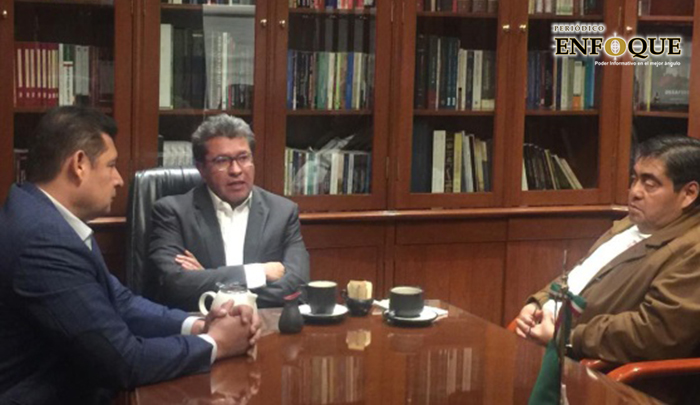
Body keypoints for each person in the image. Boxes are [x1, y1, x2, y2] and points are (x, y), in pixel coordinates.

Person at [0, 106, 261, 405]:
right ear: (79, 164)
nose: (119, 180)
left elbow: (120, 302)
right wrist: (216, 342)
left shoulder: (44, 217)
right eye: (111, 165)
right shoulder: (43, 240)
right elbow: (124, 362)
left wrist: (199, 325)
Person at [515, 135, 700, 366]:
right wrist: (539, 302)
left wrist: (568, 337)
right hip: (553, 344)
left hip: (594, 368)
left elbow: (655, 333)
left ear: (689, 194)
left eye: (650, 184)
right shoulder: (632, 224)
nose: (634, 191)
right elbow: (582, 274)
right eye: (634, 179)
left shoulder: (693, 250)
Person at [149, 114, 310, 311]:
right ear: (201, 169)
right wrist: (258, 273)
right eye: (222, 161)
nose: (236, 170)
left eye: (243, 158)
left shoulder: (283, 212)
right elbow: (174, 284)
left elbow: (298, 288)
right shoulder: (173, 213)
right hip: (202, 325)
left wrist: (207, 278)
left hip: (264, 324)